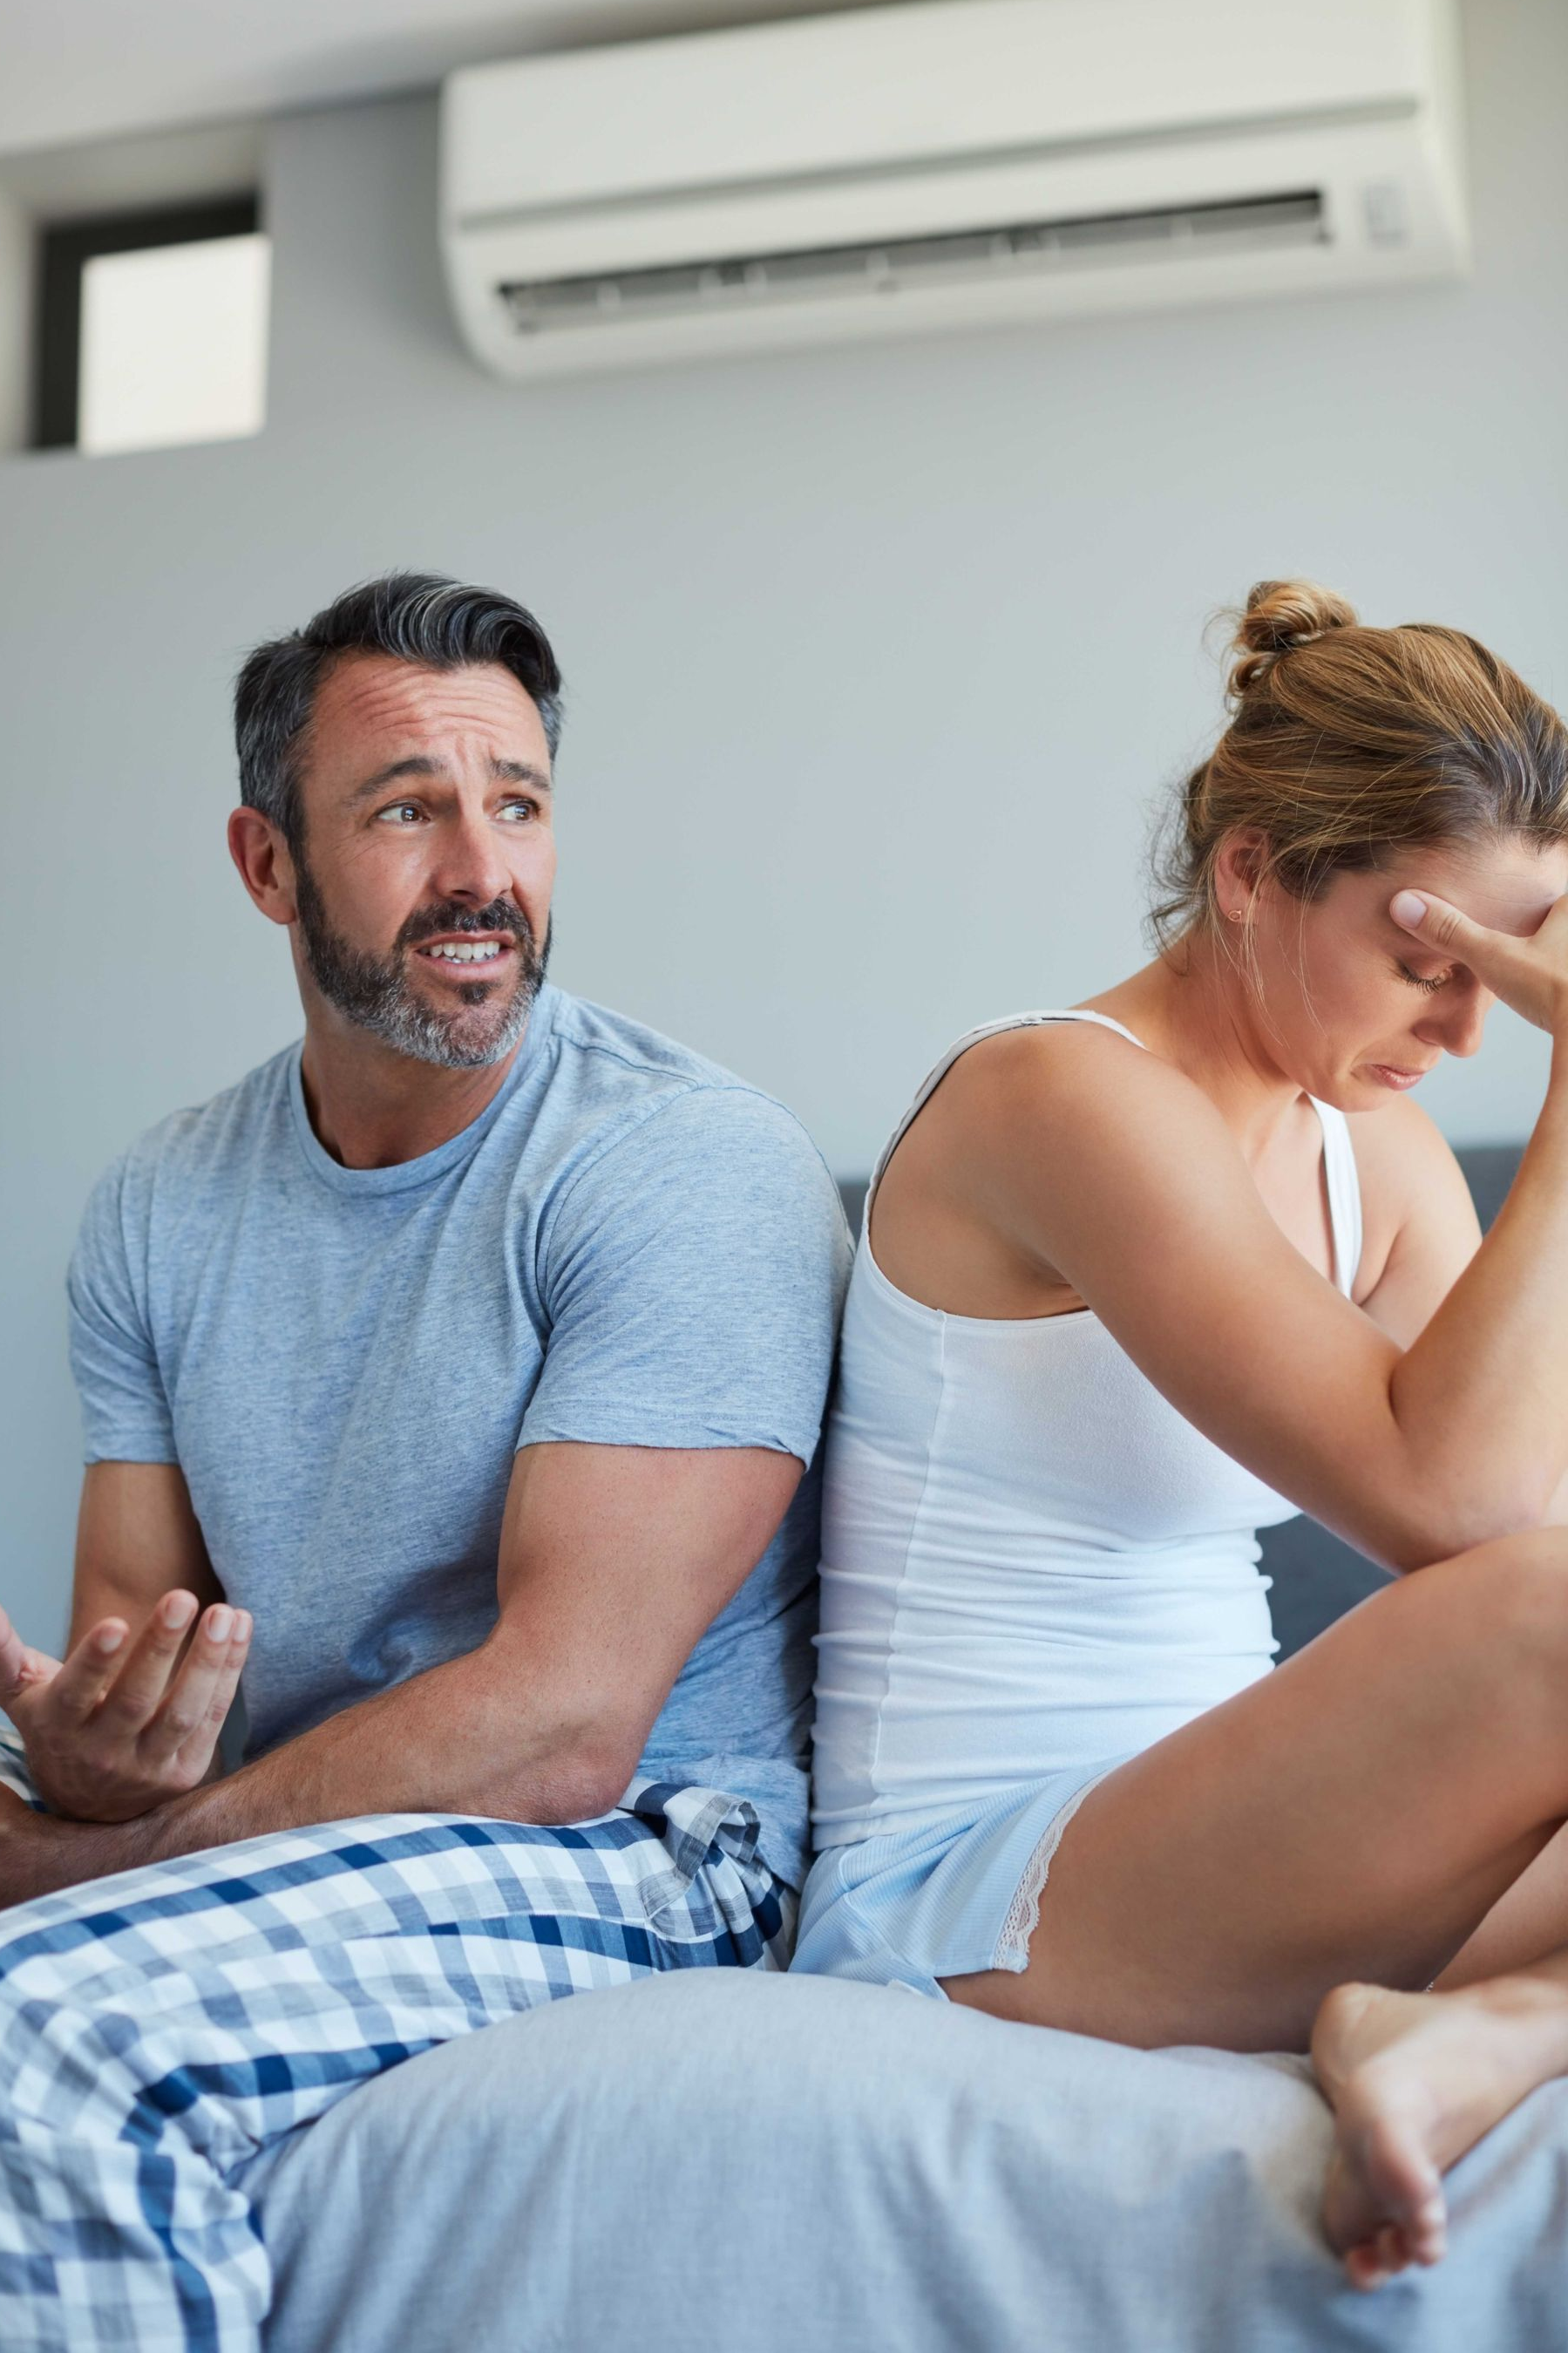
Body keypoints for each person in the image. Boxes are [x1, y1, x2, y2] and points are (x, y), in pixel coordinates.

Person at [0, 571, 849, 2353]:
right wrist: (91, 1758)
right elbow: (135, 1663)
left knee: (48, 2021)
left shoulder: (678, 1165)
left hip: (654, 1853)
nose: (483, 870)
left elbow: (563, 1721)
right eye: (408, 808)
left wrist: (104, 1865)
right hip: (323, 1828)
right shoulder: (161, 1201)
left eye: (518, 803)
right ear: (267, 865)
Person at [795, 580, 1568, 2293]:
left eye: (1513, 976)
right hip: (965, 1899)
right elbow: (1463, 1515)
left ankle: (1482, 2033)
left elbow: (1516, 1519)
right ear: (1245, 873)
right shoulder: (1058, 1100)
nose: (1463, 1034)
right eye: (1429, 959)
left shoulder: (1380, 1161)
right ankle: (1472, 2022)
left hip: (1219, 1867)